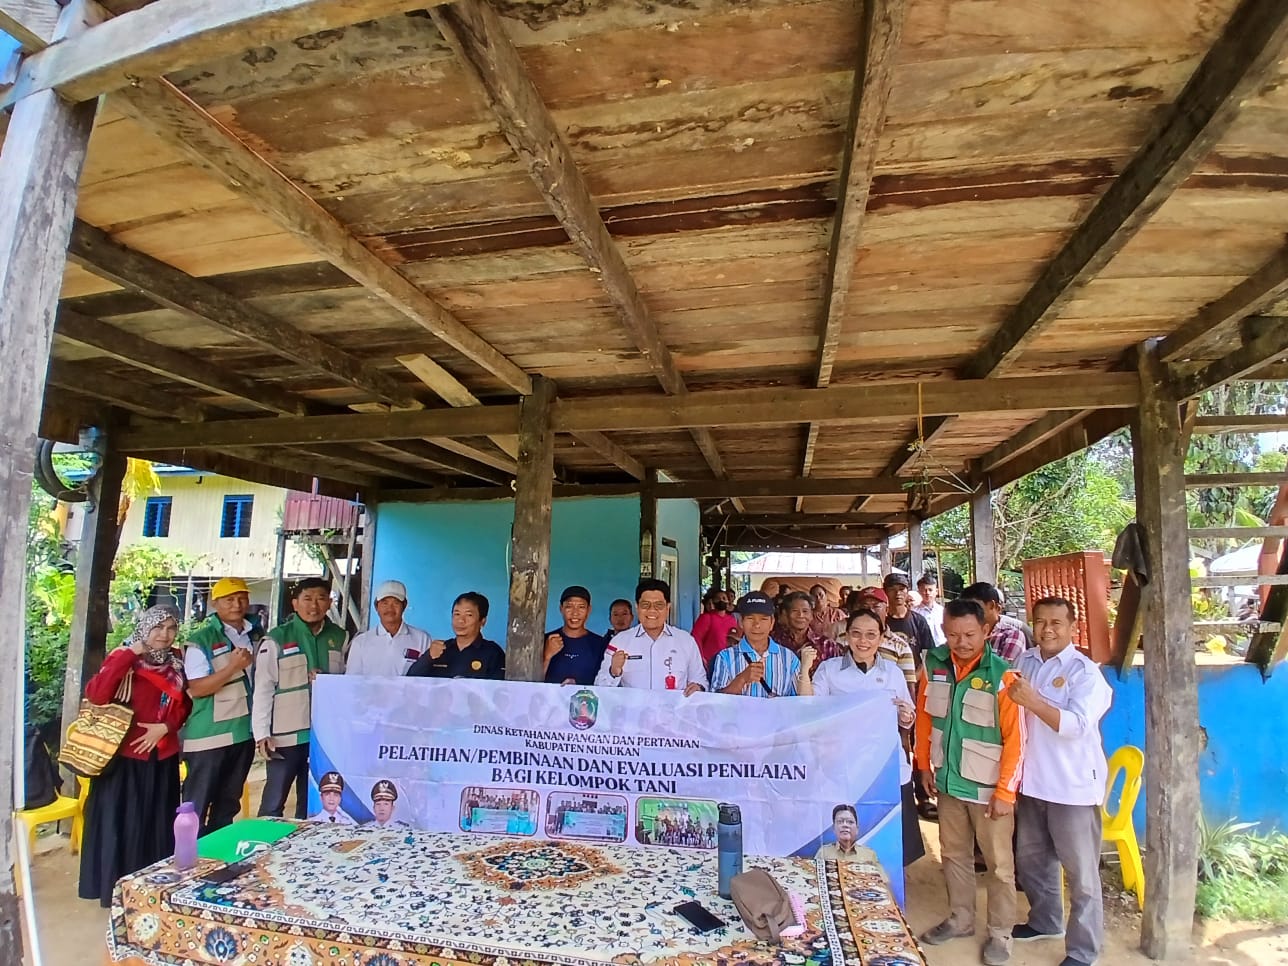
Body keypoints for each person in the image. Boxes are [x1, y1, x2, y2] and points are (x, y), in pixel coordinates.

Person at [915, 598, 1024, 965]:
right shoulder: (934, 664)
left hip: (988, 789)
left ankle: (1000, 933)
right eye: (953, 634)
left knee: (999, 865)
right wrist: (923, 765)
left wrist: (1005, 791)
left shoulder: (1003, 676)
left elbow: (1016, 740)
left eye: (969, 635)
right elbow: (925, 718)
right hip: (948, 782)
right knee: (954, 855)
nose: (960, 642)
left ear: (986, 631)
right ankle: (961, 919)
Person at [1008, 597, 1113, 966]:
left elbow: (1077, 726)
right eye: (1040, 621)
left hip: (1072, 787)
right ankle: (1045, 920)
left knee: (1081, 875)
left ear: (1072, 627)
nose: (1047, 629)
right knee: (1032, 861)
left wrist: (1034, 701)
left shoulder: (1086, 673)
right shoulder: (1025, 662)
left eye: (1056, 622)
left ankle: (1084, 950)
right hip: (1032, 781)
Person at [79, 607, 192, 907]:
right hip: (125, 760)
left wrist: (166, 727)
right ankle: (118, 893)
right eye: (157, 627)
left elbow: (185, 704)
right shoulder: (124, 656)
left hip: (162, 757)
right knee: (124, 825)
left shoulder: (175, 661)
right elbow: (97, 695)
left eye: (171, 628)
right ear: (144, 628)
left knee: (156, 824)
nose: (164, 635)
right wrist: (131, 654)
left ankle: (151, 890)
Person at [814, 609, 923, 865]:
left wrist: (905, 714)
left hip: (886, 766)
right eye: (856, 634)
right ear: (846, 636)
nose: (863, 641)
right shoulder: (829, 670)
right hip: (843, 767)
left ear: (882, 637)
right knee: (843, 840)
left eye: (871, 635)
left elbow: (907, 717)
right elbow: (812, 711)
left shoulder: (893, 672)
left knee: (892, 842)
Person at [253, 577, 348, 819]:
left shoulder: (341, 638)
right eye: (307, 599)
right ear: (295, 604)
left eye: (321, 599)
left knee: (313, 802)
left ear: (330, 603)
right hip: (285, 736)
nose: (314, 605)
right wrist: (261, 733)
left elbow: (349, 683)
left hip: (324, 736)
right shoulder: (276, 639)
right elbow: (263, 688)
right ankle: (262, 840)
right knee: (274, 801)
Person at [181, 577, 259, 837]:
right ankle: (187, 855)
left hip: (243, 732)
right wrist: (232, 668)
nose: (237, 604)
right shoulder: (201, 640)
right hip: (209, 736)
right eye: (229, 600)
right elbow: (197, 688)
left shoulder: (256, 635)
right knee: (197, 804)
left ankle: (216, 854)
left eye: (241, 598)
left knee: (228, 803)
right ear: (215, 603)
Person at [594, 579, 707, 694]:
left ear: (668, 607)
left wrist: (698, 687)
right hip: (633, 706)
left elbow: (700, 679)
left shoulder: (686, 640)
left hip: (674, 706)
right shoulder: (619, 641)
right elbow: (599, 687)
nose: (652, 610)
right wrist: (613, 672)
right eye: (645, 605)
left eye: (659, 605)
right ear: (637, 607)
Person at [710, 592, 803, 697]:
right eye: (750, 618)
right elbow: (715, 701)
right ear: (741, 622)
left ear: (772, 623)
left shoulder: (789, 658)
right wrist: (742, 679)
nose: (757, 625)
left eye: (763, 619)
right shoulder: (725, 657)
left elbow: (800, 701)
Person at [406, 591, 505, 679]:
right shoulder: (441, 649)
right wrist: (428, 657)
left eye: (469, 615)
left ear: (482, 621)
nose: (461, 620)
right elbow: (410, 681)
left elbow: (500, 689)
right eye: (457, 614)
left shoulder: (493, 653)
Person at [345, 579, 430, 677]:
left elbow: (427, 678)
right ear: (376, 607)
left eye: (396, 603)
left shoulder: (422, 639)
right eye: (385, 603)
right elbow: (352, 681)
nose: (390, 608)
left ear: (404, 606)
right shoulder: (360, 642)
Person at [544, 585, 608, 685]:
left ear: (589, 610)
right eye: (569, 607)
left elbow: (605, 683)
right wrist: (546, 657)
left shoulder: (600, 644)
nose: (575, 613)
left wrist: (578, 685)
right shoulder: (547, 640)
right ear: (561, 609)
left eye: (581, 607)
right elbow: (530, 683)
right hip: (548, 695)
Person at [771, 591, 840, 677]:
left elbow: (837, 676)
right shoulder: (773, 641)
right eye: (795, 611)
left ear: (811, 615)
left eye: (805, 611)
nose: (800, 615)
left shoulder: (827, 645)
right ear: (786, 614)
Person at [960, 582, 1029, 666]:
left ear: (992, 606)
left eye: (974, 608)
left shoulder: (1011, 635)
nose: (969, 613)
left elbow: (1001, 670)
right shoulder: (961, 634)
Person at [883, 573, 935, 669]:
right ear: (885, 592)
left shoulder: (918, 621)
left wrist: (917, 674)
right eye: (892, 589)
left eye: (901, 589)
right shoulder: (880, 621)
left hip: (915, 674)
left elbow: (929, 654)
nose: (897, 593)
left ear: (907, 592)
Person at [815, 804, 880, 864]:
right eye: (840, 821)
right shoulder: (824, 853)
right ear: (834, 828)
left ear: (857, 829)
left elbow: (881, 873)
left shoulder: (869, 855)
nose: (845, 825)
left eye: (850, 822)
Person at [691, 588, 738, 668]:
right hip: (709, 661)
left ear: (728, 602)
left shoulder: (732, 620)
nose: (721, 600)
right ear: (713, 602)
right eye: (718, 598)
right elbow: (696, 638)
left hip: (727, 662)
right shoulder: (706, 618)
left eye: (724, 598)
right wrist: (701, 657)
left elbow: (733, 640)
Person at [914, 575, 947, 646]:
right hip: (923, 649)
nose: (927, 593)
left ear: (936, 591)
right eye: (924, 590)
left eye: (930, 590)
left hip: (943, 648)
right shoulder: (914, 613)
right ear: (919, 592)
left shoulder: (943, 611)